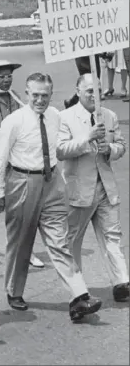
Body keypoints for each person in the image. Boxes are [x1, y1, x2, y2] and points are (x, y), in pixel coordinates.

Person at [0, 72, 102, 321]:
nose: (40, 100)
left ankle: (79, 296)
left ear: (52, 95)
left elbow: (60, 149)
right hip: (22, 181)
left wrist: (87, 138)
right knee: (20, 241)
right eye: (36, 95)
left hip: (51, 182)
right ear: (27, 93)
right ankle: (14, 291)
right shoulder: (14, 121)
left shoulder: (54, 117)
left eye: (45, 95)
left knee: (59, 241)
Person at [57, 74, 129, 302]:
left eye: (98, 90)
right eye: (89, 90)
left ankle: (121, 281)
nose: (93, 96)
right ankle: (77, 290)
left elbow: (121, 145)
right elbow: (60, 151)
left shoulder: (109, 116)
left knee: (112, 235)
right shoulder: (66, 117)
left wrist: (110, 149)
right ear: (77, 91)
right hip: (79, 190)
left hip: (105, 187)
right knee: (73, 239)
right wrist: (87, 139)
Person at [0, 60, 45, 268]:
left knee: (21, 207)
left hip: (16, 158)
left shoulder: (17, 98)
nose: (5, 80)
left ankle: (24, 250)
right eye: (1, 77)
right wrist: (0, 154)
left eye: (8, 76)